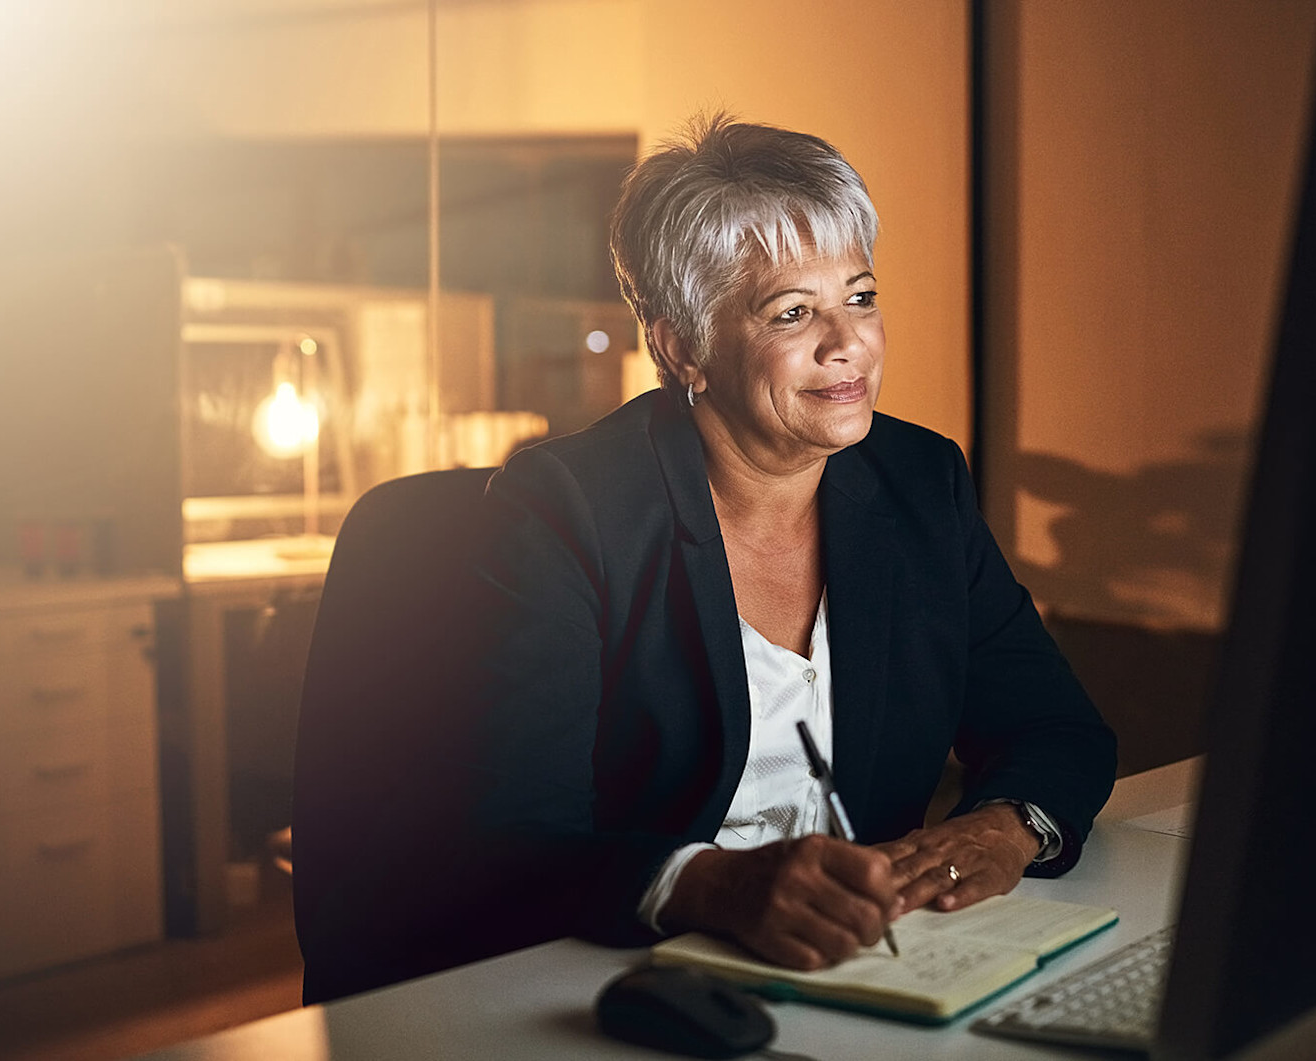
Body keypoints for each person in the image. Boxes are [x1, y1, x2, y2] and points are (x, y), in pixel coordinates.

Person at [459, 114, 1118, 973]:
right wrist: (710, 884)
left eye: (861, 297)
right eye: (793, 312)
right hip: (626, 973)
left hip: (872, 966)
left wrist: (1006, 826)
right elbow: (513, 829)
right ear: (683, 347)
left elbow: (1058, 727)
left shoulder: (922, 482)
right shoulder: (565, 511)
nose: (849, 344)